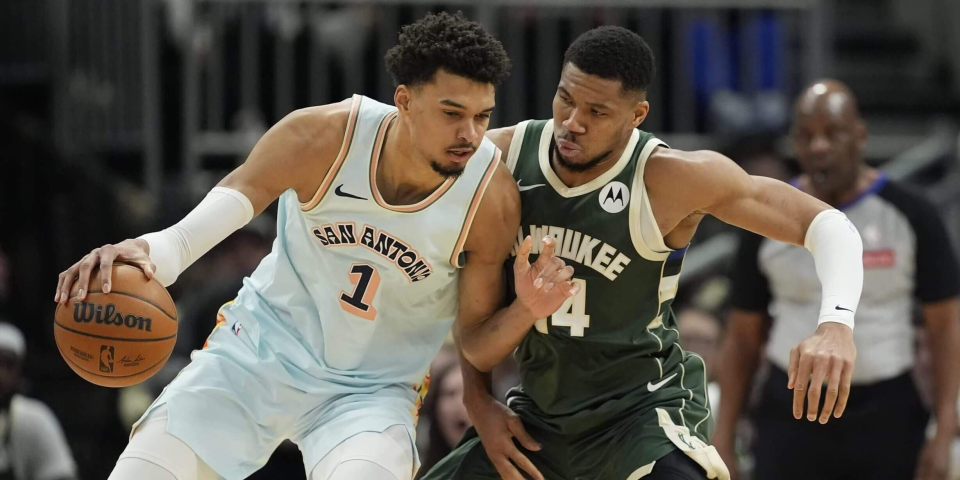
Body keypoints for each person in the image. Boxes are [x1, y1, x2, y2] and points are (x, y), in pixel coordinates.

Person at [54, 12, 578, 480]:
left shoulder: (490, 198)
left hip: (371, 392)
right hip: (258, 353)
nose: (470, 134)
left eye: (482, 116)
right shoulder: (323, 137)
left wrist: (518, 323)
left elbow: (475, 342)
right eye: (451, 113)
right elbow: (221, 208)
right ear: (404, 100)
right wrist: (147, 251)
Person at [422, 26, 864, 480]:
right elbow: (471, 311)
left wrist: (836, 325)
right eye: (565, 99)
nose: (573, 122)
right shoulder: (500, 158)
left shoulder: (670, 178)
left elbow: (828, 225)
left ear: (637, 115)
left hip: (642, 416)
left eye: (597, 112)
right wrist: (478, 400)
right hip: (539, 417)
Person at [714, 80, 960, 480]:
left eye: (833, 133)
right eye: (807, 135)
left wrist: (945, 430)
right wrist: (723, 436)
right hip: (790, 411)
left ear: (860, 136)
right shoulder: (764, 219)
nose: (819, 146)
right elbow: (742, 336)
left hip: (886, 411)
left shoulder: (912, 214)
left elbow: (946, 328)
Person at [0, 322, 78, 480]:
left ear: (20, 370)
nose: (1, 374)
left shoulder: (33, 419)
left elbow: (61, 476)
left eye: (8, 365)